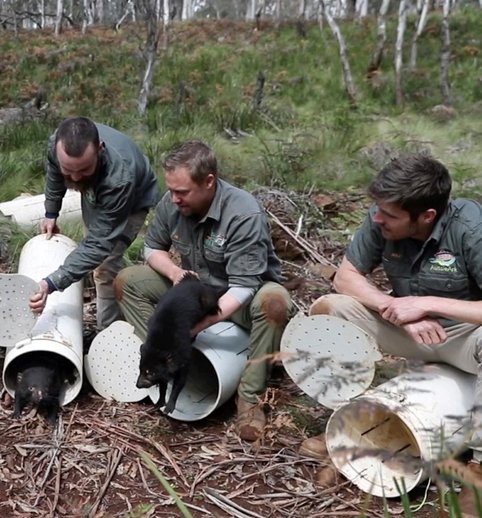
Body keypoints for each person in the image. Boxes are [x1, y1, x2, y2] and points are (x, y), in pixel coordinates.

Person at [302, 154, 482, 462]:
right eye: (379, 209)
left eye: (389, 214)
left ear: (426, 216)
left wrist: (425, 304)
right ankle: (344, 418)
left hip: (465, 339)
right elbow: (345, 278)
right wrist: (395, 307)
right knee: (329, 309)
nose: (377, 219)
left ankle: (479, 463)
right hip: (408, 332)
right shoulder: (382, 217)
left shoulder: (470, 228)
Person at [115, 140, 295, 442]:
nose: (173, 199)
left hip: (241, 298)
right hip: (194, 294)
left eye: (182, 192)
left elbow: (244, 286)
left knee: (274, 302)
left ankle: (249, 398)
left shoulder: (242, 213)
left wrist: (196, 327)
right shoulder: (173, 203)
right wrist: (174, 272)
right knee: (127, 281)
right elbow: (151, 247)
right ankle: (163, 365)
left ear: (209, 182)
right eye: (171, 190)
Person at [28, 116, 160, 332]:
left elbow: (99, 244)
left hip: (133, 200)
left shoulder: (119, 179)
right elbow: (54, 174)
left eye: (83, 169)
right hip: (99, 190)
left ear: (100, 149)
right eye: (68, 170)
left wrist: (51, 283)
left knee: (105, 266)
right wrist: (51, 212)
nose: (76, 178)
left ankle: (108, 333)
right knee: (91, 256)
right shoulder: (56, 145)